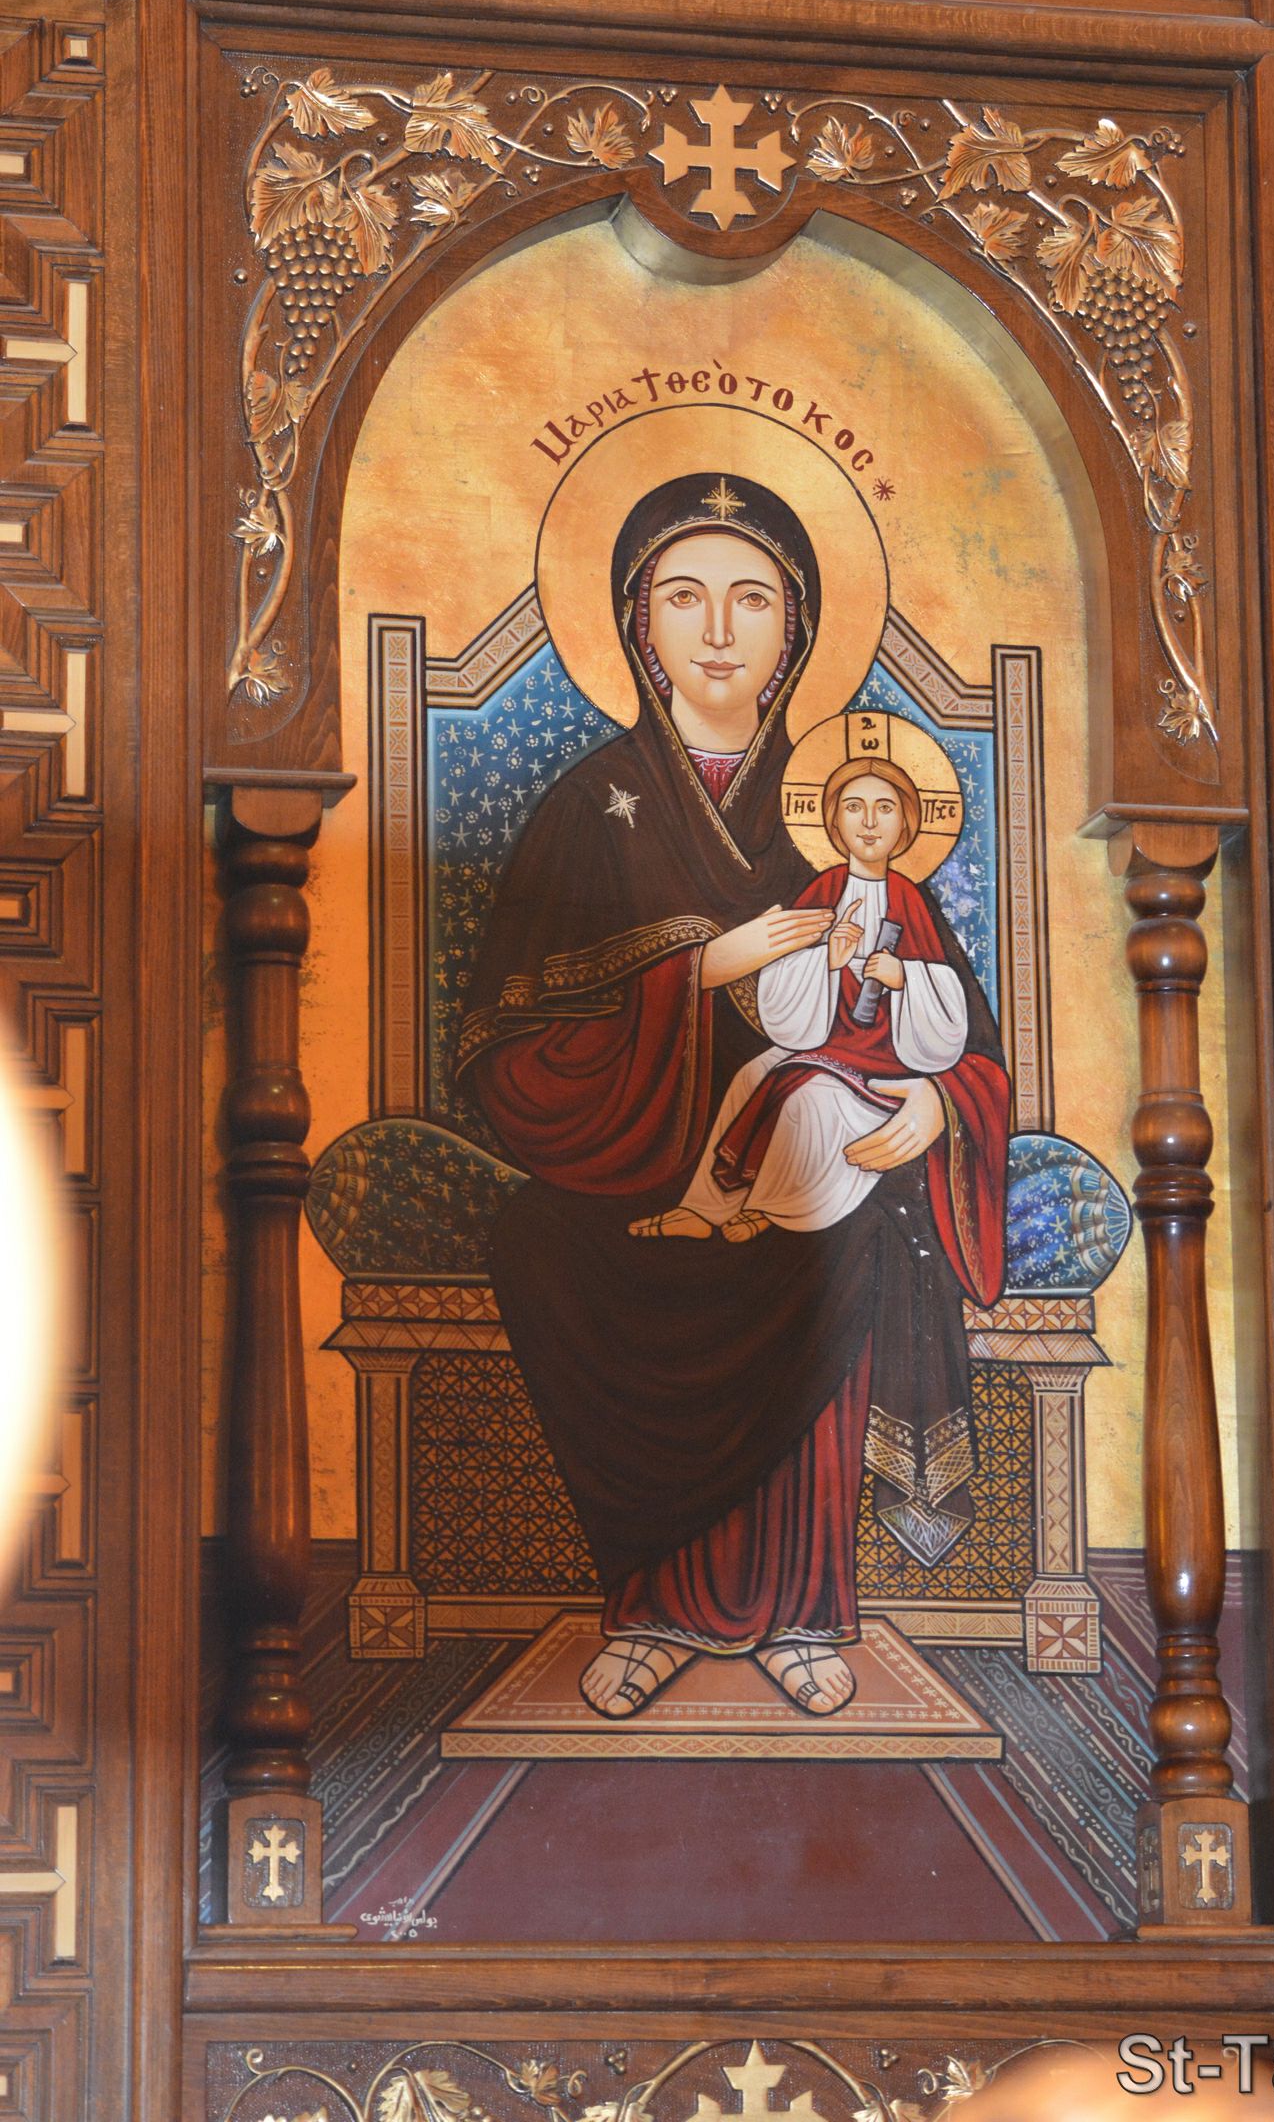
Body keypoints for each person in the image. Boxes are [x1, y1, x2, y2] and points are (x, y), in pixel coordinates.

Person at [458, 473, 1010, 1724]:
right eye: (683, 597)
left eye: (752, 599)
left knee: (850, 1238)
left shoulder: (849, 812)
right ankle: (650, 1610)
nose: (717, 631)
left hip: (823, 1156)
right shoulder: (587, 805)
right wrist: (701, 971)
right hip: (629, 1156)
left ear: (797, 626)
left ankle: (803, 1612)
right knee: (542, 1242)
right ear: (636, 621)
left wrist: (940, 1111)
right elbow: (504, 1046)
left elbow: (962, 1037)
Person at [631, 753, 970, 1245]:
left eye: (885, 808)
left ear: (906, 824)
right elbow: (783, 984)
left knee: (811, 1100)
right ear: (833, 821)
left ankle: (770, 1208)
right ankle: (701, 1209)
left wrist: (904, 977)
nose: (869, 822)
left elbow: (945, 997)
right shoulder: (824, 888)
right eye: (853, 807)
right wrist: (826, 961)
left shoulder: (911, 900)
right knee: (750, 1077)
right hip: (821, 1040)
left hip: (885, 1056)